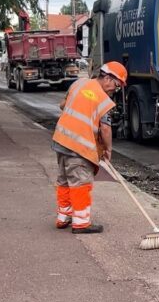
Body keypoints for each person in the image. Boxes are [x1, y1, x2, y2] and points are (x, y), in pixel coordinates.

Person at [52, 61, 126, 234]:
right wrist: (108, 150)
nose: (114, 90)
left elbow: (63, 105)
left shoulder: (79, 83)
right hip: (78, 146)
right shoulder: (103, 100)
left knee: (64, 179)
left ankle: (63, 217)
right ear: (107, 78)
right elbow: (106, 129)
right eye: (116, 85)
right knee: (81, 182)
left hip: (61, 140)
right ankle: (81, 223)